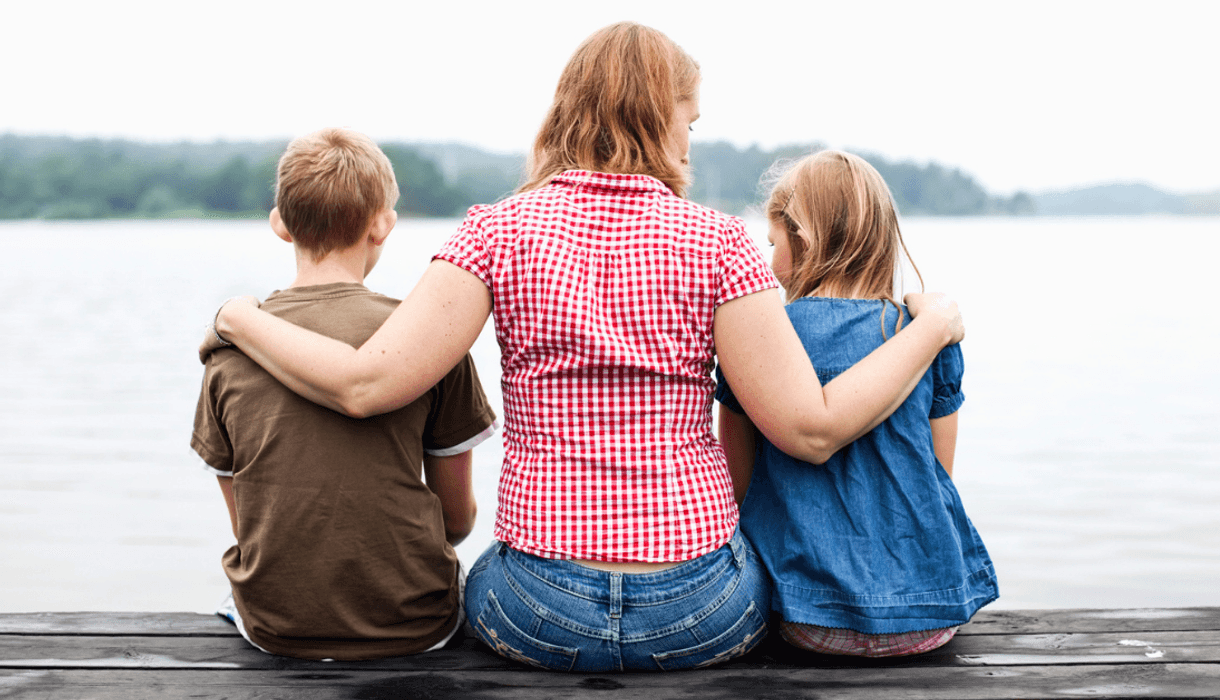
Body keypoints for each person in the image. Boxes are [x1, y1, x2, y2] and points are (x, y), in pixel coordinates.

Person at [202, 24, 965, 671]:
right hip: (699, 609)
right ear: (655, 118)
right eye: (687, 122)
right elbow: (810, 428)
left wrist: (240, 319)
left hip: (540, 608)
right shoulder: (722, 244)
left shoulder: (493, 231)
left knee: (478, 582)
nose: (689, 143)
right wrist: (930, 325)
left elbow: (366, 385)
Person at [191, 128, 499, 661]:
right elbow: (456, 521)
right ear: (383, 224)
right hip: (415, 625)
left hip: (275, 624)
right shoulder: (425, 342)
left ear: (280, 224)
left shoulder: (230, 348)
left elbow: (251, 523)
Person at [716, 150, 998, 658]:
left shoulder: (765, 339)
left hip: (805, 618)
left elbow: (736, 488)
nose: (767, 257)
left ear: (804, 238)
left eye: (772, 240)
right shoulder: (926, 339)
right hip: (928, 619)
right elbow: (939, 475)